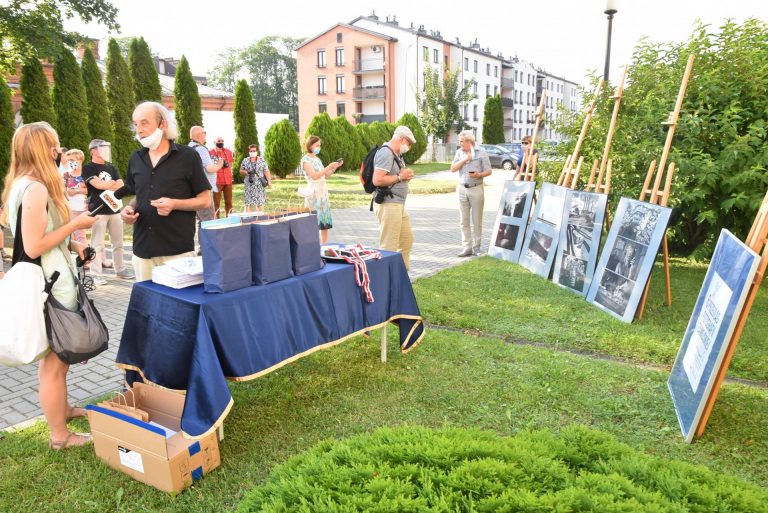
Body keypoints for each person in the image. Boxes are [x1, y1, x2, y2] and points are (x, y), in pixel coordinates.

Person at [0, 122, 98, 449]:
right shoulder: (37, 187)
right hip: (51, 283)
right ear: (46, 149)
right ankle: (60, 435)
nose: (60, 150)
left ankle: (62, 411)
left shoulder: (21, 183)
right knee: (55, 362)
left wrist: (75, 245)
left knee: (58, 359)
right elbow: (33, 245)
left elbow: (43, 236)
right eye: (56, 145)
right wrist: (76, 224)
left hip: (52, 274)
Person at [121, 102, 212, 281]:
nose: (138, 129)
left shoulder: (188, 157)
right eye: (136, 123)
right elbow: (139, 195)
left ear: (162, 124)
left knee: (177, 308)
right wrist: (129, 210)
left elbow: (205, 200)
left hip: (176, 252)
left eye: (144, 122)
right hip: (142, 251)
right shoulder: (136, 158)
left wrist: (175, 203)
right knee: (146, 308)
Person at [82, 139, 134, 285]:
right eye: (101, 149)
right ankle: (96, 274)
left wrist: (105, 185)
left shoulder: (112, 167)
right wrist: (111, 184)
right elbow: (97, 184)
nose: (105, 152)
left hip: (115, 209)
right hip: (98, 210)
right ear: (93, 151)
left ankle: (120, 269)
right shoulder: (88, 168)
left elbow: (121, 185)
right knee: (97, 244)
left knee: (118, 243)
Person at [372, 126, 416, 270]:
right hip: (389, 205)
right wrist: (399, 177)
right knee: (388, 247)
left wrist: (404, 177)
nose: (408, 147)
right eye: (408, 143)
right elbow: (377, 180)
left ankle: (402, 277)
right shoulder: (386, 153)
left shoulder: (396, 154)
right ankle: (386, 280)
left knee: (406, 240)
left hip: (399, 205)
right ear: (402, 139)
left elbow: (397, 176)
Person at [450, 130, 491, 257]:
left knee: (477, 220)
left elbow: (489, 171)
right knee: (464, 221)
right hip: (462, 189)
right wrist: (464, 160)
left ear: (469, 141)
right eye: (459, 141)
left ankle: (477, 247)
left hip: (476, 188)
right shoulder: (459, 152)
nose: (460, 143)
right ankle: (466, 248)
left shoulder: (481, 152)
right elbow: (452, 169)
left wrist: (479, 175)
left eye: (462, 141)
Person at [301, 136, 342, 244]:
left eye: (320, 145)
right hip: (313, 192)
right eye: (317, 145)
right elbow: (314, 176)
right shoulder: (305, 160)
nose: (319, 147)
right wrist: (328, 166)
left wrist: (334, 167)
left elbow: (326, 175)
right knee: (314, 221)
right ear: (310, 146)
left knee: (324, 222)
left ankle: (324, 245)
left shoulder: (317, 159)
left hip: (323, 192)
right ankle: (313, 245)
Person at [188, 126, 221, 229]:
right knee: (209, 220)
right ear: (198, 135)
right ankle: (208, 245)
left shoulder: (189, 147)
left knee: (200, 221)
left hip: (193, 190)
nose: (206, 135)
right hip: (203, 190)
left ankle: (203, 244)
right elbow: (210, 168)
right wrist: (220, 164)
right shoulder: (201, 149)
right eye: (204, 133)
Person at [61, 149, 88, 247]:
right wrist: (66, 192)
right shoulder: (66, 175)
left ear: (80, 160)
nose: (70, 163)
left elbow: (92, 190)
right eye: (68, 160)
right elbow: (62, 191)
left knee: (83, 236)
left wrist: (77, 191)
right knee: (77, 236)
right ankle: (85, 260)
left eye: (72, 160)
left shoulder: (86, 174)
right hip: (72, 209)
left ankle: (89, 259)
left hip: (86, 209)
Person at [239, 144, 272, 212]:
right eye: (251, 151)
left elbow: (266, 171)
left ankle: (260, 216)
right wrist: (246, 172)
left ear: (257, 151)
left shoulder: (262, 160)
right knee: (248, 202)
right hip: (249, 185)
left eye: (254, 151)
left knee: (260, 202)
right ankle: (248, 217)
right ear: (249, 152)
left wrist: (269, 181)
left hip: (259, 185)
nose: (252, 152)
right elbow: (241, 171)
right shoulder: (245, 160)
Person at [210, 136, 234, 217]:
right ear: (214, 142)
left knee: (229, 202)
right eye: (219, 141)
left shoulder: (229, 152)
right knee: (216, 203)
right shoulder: (210, 152)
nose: (220, 142)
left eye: (222, 141)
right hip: (217, 181)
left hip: (228, 180)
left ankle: (230, 218)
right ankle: (217, 220)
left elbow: (230, 164)